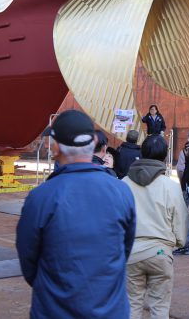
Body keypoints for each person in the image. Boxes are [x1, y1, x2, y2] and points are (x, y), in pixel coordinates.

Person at [16, 109, 136, 319]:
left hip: (55, 310)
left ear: (55, 147)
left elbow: (28, 260)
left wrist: (53, 288)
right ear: (95, 143)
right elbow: (125, 248)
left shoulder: (41, 197)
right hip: (110, 310)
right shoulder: (121, 191)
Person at [122, 134, 189, 319]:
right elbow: (181, 221)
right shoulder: (171, 186)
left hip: (131, 253)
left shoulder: (123, 184)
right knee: (160, 307)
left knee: (131, 305)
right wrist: (177, 243)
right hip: (160, 252)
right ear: (165, 157)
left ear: (142, 153)